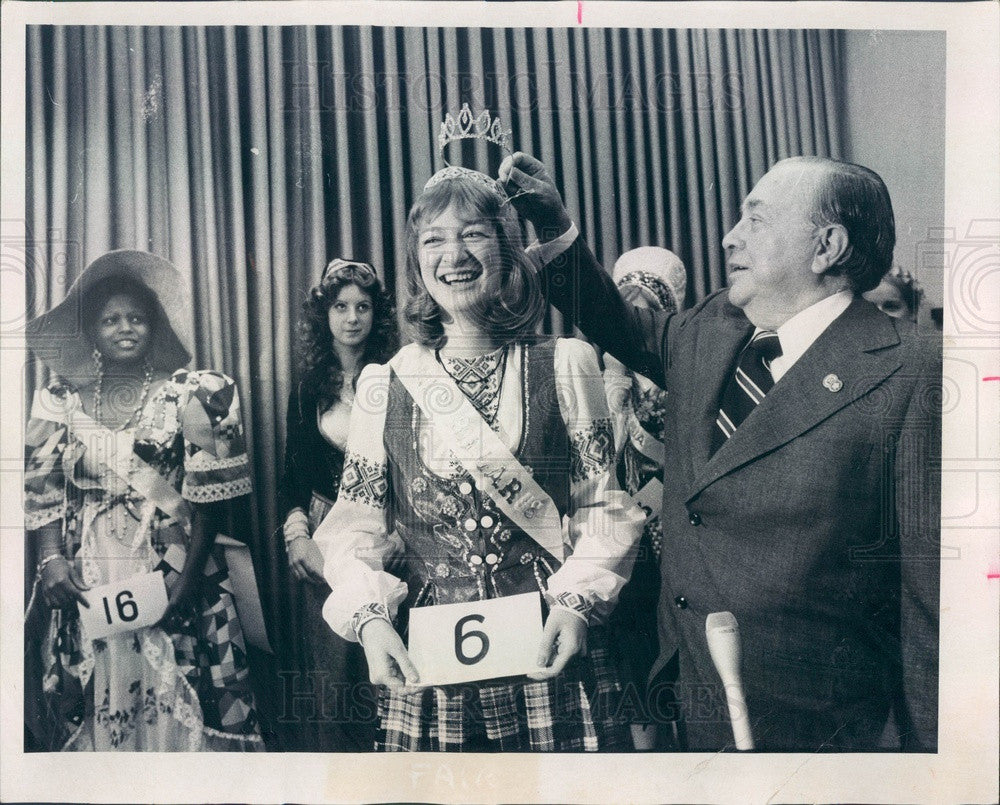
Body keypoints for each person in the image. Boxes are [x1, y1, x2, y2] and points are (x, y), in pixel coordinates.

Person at [499, 153, 941, 752]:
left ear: (827, 245)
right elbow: (616, 322)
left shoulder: (914, 372)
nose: (729, 237)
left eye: (755, 220)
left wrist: (927, 764)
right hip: (695, 700)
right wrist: (554, 231)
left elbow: (930, 602)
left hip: (826, 732)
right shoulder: (711, 326)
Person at [312, 166, 644, 752]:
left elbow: (603, 506)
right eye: (433, 239)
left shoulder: (566, 362)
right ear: (417, 262)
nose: (454, 254)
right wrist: (369, 621)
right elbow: (353, 529)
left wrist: (575, 607)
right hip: (434, 673)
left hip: (550, 652)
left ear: (508, 249)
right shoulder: (386, 383)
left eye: (474, 234)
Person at [24, 250, 263, 751]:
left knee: (181, 689)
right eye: (110, 319)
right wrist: (49, 560)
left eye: (136, 317)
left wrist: (189, 581)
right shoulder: (57, 400)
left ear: (155, 327)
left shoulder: (199, 392)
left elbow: (211, 505)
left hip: (176, 567)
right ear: (92, 333)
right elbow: (43, 491)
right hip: (91, 572)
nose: (124, 327)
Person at [277, 258, 397, 750]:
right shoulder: (308, 390)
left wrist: (403, 537)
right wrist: (298, 537)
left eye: (363, 307)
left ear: (376, 315)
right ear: (323, 316)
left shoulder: (398, 379)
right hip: (326, 538)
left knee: (388, 674)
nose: (352, 318)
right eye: (341, 307)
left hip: (389, 535)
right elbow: (291, 479)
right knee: (333, 679)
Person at [602, 247, 686, 750]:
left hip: (673, 534)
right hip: (619, 536)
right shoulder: (591, 377)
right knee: (633, 644)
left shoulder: (681, 377)